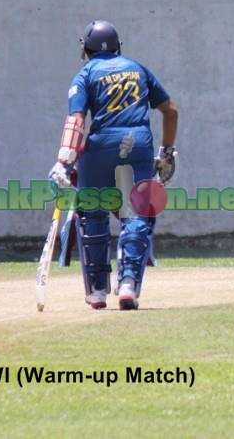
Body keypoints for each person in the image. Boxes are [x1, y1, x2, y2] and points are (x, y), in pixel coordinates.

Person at [49, 20, 178, 310]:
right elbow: (170, 110)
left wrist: (64, 159)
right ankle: (129, 283)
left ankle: (97, 290)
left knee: (92, 215)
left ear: (86, 48)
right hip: (138, 144)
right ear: (118, 45)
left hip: (101, 146)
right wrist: (166, 151)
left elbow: (77, 120)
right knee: (136, 214)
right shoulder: (138, 68)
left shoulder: (85, 74)